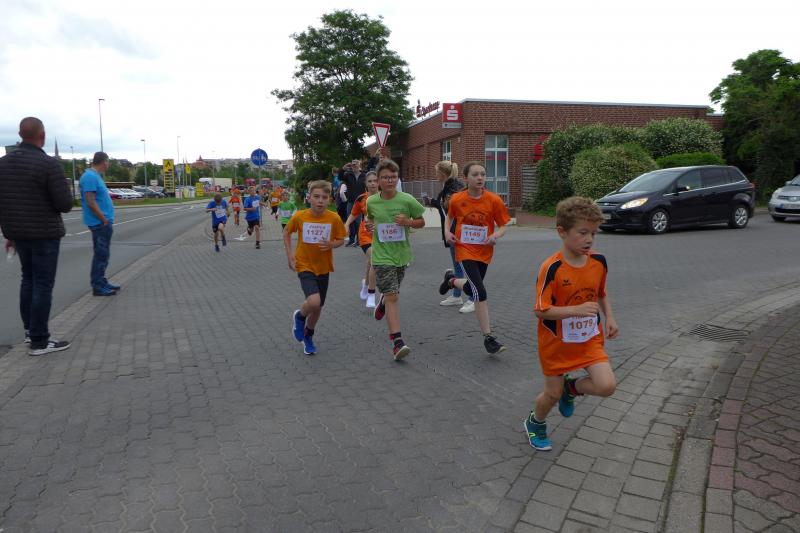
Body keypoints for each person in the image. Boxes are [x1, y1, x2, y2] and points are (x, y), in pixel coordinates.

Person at [525, 196, 619, 451]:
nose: (589, 239)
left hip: (589, 339)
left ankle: (572, 388)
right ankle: (536, 422)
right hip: (556, 344)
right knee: (551, 395)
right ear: (562, 232)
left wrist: (610, 317)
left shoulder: (599, 262)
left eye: (593, 233)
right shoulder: (552, 268)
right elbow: (540, 311)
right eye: (583, 232)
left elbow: (601, 292)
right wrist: (575, 310)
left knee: (606, 386)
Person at [0, 117, 73, 355]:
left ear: (20, 135)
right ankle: (40, 340)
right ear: (42, 135)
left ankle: (30, 331)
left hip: (18, 234)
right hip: (44, 234)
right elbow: (64, 204)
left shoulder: (3, 164)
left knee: (28, 280)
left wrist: (9, 231)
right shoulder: (48, 164)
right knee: (42, 284)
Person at [438, 161, 511, 354]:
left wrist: (496, 235)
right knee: (480, 291)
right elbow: (449, 217)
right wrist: (447, 232)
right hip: (464, 249)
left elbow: (503, 225)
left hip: (484, 250)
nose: (480, 178)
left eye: (483, 174)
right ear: (466, 178)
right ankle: (488, 338)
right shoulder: (457, 199)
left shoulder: (494, 200)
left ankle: (451, 280)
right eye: (475, 175)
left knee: (472, 287)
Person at [365, 159, 425, 361]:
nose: (390, 180)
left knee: (392, 293)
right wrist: (369, 225)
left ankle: (382, 303)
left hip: (401, 255)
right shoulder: (372, 201)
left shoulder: (407, 200)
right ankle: (397, 342)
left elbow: (421, 222)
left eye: (393, 177)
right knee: (393, 297)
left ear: (397, 179)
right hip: (381, 256)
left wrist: (408, 222)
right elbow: (370, 218)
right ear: (378, 180)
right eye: (385, 177)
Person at [284, 180, 347, 355]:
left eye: (324, 197)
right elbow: (286, 232)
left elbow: (341, 240)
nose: (320, 201)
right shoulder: (300, 216)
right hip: (304, 264)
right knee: (313, 302)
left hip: (323, 267)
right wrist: (290, 256)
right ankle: (299, 317)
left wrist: (332, 244)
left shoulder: (334, 218)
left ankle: (308, 335)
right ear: (309, 197)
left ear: (330, 200)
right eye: (316, 196)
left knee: (318, 308)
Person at [430, 160, 474, 313]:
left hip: (458, 232)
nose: (435, 175)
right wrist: (434, 202)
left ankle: (473, 298)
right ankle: (456, 295)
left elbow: (454, 209)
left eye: (437, 172)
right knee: (458, 266)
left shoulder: (454, 188)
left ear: (443, 173)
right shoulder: (448, 187)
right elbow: (446, 208)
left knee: (466, 267)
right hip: (451, 231)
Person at [80, 152, 118, 296]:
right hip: (99, 223)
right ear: (104, 161)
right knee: (100, 255)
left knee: (103, 255)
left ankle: (101, 281)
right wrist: (103, 219)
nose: (108, 165)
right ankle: (97, 286)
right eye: (108, 162)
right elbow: (90, 201)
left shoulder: (95, 176)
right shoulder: (90, 177)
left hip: (102, 222)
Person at [345, 170, 379, 308]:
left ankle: (365, 285)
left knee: (371, 263)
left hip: (380, 235)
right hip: (365, 235)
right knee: (375, 260)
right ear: (365, 183)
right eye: (370, 181)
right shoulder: (361, 198)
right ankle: (371, 294)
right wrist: (346, 225)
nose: (373, 183)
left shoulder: (385, 197)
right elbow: (354, 214)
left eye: (375, 181)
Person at [343, 160, 365, 246]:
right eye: (353, 164)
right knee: (350, 221)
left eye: (356, 164)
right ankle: (351, 239)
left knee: (358, 221)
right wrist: (345, 167)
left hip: (360, 201)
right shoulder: (348, 175)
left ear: (359, 165)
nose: (355, 165)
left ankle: (359, 240)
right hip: (351, 201)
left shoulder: (364, 175)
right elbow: (340, 176)